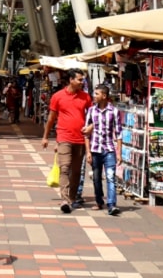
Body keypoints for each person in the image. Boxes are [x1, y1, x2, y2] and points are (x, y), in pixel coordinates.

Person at [41, 69, 91, 213]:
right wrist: (45, 137)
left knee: (76, 172)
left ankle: (73, 197)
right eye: (80, 80)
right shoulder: (58, 97)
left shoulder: (85, 97)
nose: (82, 82)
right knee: (65, 168)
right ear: (71, 80)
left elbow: (93, 116)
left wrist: (91, 127)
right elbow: (51, 118)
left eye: (83, 80)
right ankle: (65, 199)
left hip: (80, 139)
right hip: (64, 137)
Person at [85, 83, 123, 216]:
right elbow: (86, 133)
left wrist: (119, 152)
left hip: (109, 150)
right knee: (96, 178)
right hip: (95, 150)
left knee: (110, 177)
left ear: (104, 96)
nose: (94, 96)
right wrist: (88, 151)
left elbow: (119, 133)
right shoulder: (91, 111)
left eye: (96, 94)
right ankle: (99, 200)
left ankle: (111, 204)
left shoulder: (114, 111)